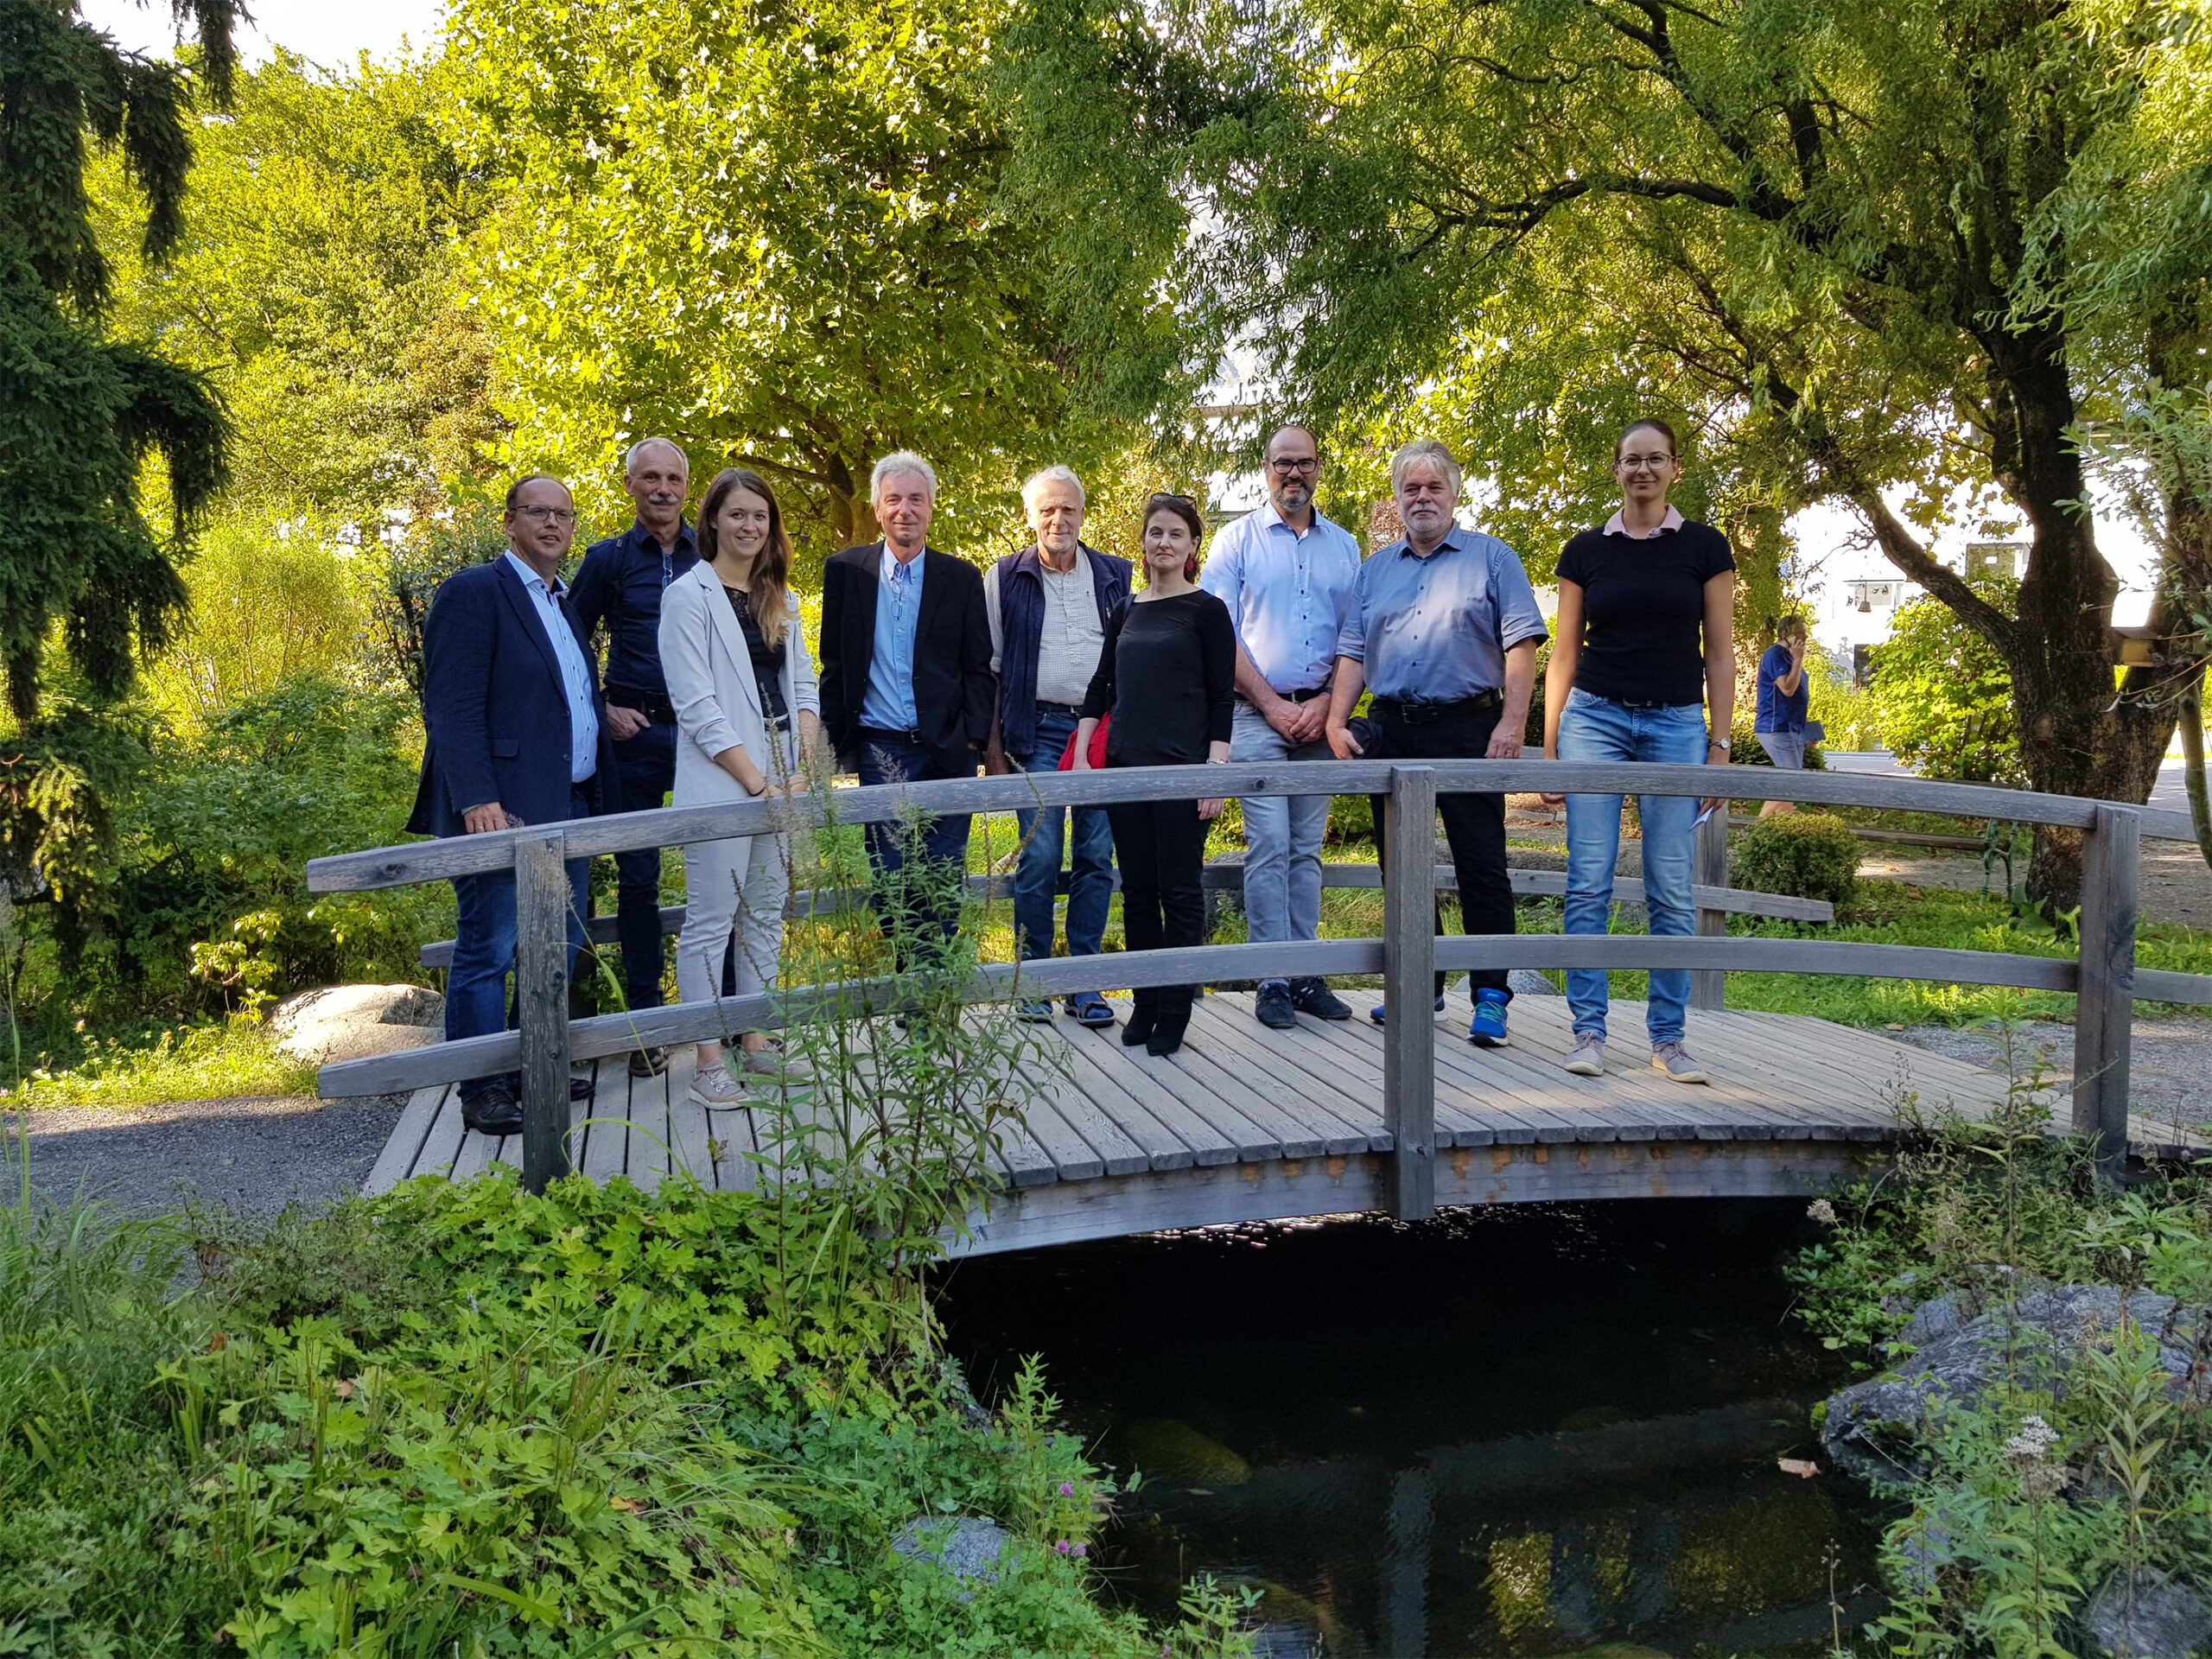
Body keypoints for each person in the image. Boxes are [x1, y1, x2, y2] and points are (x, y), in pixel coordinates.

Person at [406, 474, 617, 1135]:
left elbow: (564, 700)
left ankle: (536, 1065)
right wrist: (476, 798)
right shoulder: (475, 593)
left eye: (563, 515)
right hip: (505, 811)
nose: (552, 524)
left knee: (556, 944)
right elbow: (452, 706)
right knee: (489, 947)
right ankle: (483, 1086)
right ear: (510, 522)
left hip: (568, 804)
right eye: (537, 513)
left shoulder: (563, 604)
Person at [1325, 440, 1547, 1047]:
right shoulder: (1375, 571)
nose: (1422, 498)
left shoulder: (1493, 559)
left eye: (1433, 487)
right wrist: (1336, 721)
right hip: (1394, 729)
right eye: (1411, 489)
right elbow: (1352, 651)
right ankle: (1420, 986)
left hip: (1469, 729)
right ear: (1398, 499)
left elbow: (1521, 647)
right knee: (1402, 868)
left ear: (1455, 492)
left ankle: (1492, 996)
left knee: (1482, 865)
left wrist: (1511, 727)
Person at [1541, 417, 1736, 1084]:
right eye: (1631, 460)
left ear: (1675, 468)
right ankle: (1587, 1032)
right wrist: (1550, 745)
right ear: (1616, 469)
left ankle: (1669, 1039)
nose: (1643, 470)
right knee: (1588, 880)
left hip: (1678, 726)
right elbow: (1563, 654)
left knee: (1672, 889)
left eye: (1655, 459)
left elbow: (1720, 653)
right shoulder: (1585, 550)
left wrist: (1721, 746)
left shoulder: (1706, 547)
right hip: (1593, 721)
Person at [659, 468, 824, 1104]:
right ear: (713, 522)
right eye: (737, 515)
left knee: (764, 911)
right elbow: (696, 705)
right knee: (710, 920)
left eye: (760, 516)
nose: (750, 526)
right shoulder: (688, 596)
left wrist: (803, 768)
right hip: (724, 779)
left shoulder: (780, 598)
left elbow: (805, 689)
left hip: (786, 774)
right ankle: (707, 1061)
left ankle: (755, 1043)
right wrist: (759, 783)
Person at [1199, 423, 1360, 1031]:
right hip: (1254, 714)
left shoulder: (1343, 547)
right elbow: (1221, 635)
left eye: (1305, 464)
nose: (1294, 474)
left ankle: (1306, 974)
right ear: (1265, 468)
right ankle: (1270, 975)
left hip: (1320, 718)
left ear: (1320, 468)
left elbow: (1355, 636)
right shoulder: (1235, 542)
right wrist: (1270, 704)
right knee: (1267, 845)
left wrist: (1326, 703)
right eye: (1282, 463)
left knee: (1306, 850)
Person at [1072, 493, 1235, 1056]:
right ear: (1142, 542)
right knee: (1137, 892)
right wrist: (1085, 753)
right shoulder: (1127, 609)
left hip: (1182, 772)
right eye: (1154, 533)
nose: (1162, 543)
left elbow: (1221, 699)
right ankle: (1142, 1002)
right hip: (1125, 772)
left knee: (1181, 892)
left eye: (1174, 534)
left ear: (1193, 546)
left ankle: (1174, 1008)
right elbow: (1101, 688)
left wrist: (1215, 772)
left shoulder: (1207, 611)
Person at [817, 452, 994, 953]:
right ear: (877, 509)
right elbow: (835, 665)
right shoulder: (846, 572)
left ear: (932, 508)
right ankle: (910, 986)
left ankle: (932, 994)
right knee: (891, 877)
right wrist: (826, 747)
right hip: (881, 752)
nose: (905, 510)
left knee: (942, 875)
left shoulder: (959, 578)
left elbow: (977, 667)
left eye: (916, 499)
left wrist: (974, 741)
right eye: (893, 499)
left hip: (946, 750)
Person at [983, 465, 1128, 1027]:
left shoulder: (1116, 575)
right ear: (1031, 517)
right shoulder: (1004, 577)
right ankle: (1034, 979)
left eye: (1068, 509)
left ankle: (1084, 982)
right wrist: (993, 754)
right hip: (1035, 730)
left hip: (1100, 733)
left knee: (1097, 854)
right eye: (1047, 509)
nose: (1058, 519)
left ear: (1082, 515)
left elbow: (1129, 662)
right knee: (1040, 855)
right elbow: (991, 670)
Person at [570, 438, 697, 1072]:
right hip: (634, 733)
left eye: (674, 478)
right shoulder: (608, 561)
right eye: (651, 477)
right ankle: (647, 1027)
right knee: (639, 880)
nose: (663, 489)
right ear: (630, 484)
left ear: (687, 486)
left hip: (706, 735)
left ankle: (723, 1016)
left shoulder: (718, 553)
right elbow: (565, 642)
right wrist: (599, 709)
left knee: (717, 873)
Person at [1755, 614, 1814, 815]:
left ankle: (1782, 826)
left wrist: (1808, 729)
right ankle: (1757, 830)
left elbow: (1797, 696)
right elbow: (1787, 689)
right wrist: (1798, 660)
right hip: (1776, 728)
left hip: (1794, 728)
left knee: (1792, 783)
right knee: (1791, 782)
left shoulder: (1791, 656)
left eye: (1805, 634)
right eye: (1800, 633)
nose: (1804, 638)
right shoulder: (1774, 655)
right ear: (1785, 634)